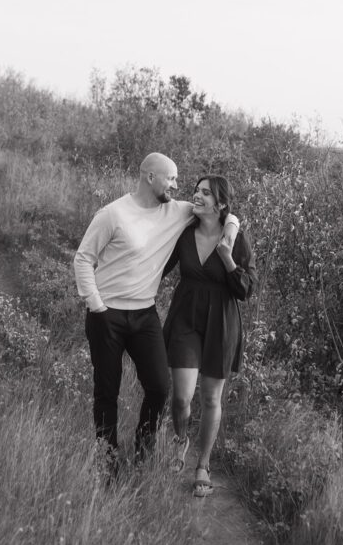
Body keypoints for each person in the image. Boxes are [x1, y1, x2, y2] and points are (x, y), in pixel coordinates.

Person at [73, 153, 240, 473]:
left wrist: (231, 230)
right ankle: (106, 463)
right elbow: (83, 259)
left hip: (144, 315)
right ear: (150, 177)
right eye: (171, 179)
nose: (178, 186)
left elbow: (225, 212)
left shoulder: (177, 211)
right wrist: (96, 305)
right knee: (107, 391)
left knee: (160, 387)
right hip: (106, 314)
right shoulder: (113, 214)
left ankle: (142, 452)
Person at [162, 175, 256, 497]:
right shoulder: (184, 234)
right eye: (196, 191)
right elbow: (159, 267)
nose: (197, 196)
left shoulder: (238, 239)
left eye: (205, 193)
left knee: (212, 398)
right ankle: (180, 438)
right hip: (186, 318)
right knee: (181, 398)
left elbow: (246, 289)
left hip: (222, 323)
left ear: (221, 204)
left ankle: (202, 464)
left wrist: (228, 258)